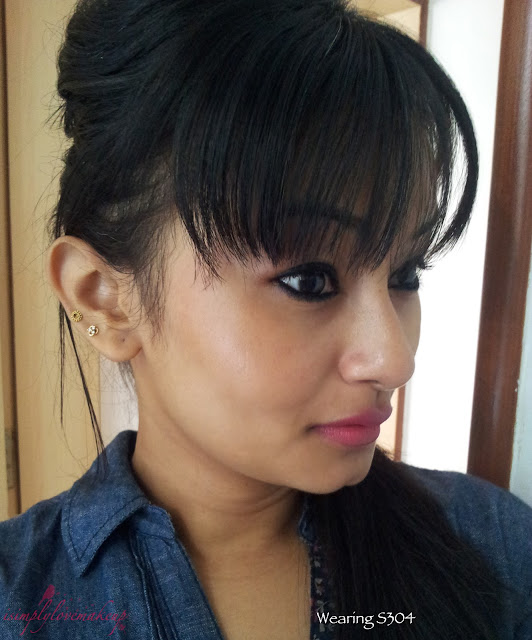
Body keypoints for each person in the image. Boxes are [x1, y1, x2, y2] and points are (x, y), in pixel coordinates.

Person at [0, 0, 531, 638]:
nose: (394, 360)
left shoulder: (496, 550)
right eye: (309, 280)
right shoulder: (21, 603)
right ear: (105, 298)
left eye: (405, 275)